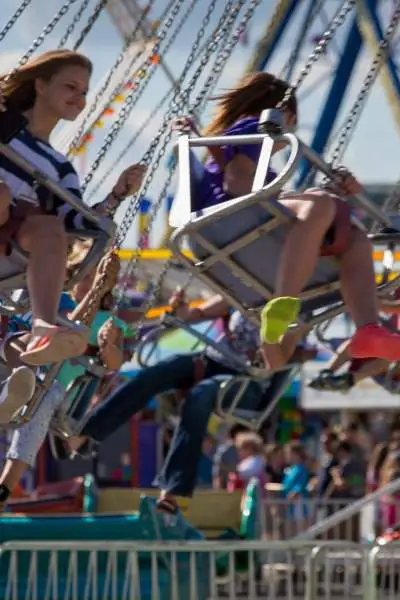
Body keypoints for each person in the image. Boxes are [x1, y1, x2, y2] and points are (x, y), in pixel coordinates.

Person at [173, 71, 400, 371]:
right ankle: (284, 302)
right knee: (320, 202)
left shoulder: (244, 146)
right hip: (228, 221)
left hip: (235, 235)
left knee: (355, 237)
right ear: (286, 116)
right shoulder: (255, 129)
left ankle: (368, 330)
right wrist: (315, 199)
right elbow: (237, 184)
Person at [61, 288, 315, 514]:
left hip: (248, 382)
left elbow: (276, 363)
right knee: (155, 373)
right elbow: (197, 313)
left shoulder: (295, 312)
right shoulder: (245, 289)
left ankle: (175, 489)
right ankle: (87, 433)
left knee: (199, 396)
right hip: (214, 361)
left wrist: (270, 332)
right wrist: (181, 309)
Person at [0, 48, 145, 367]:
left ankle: (42, 327)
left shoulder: (59, 167)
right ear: (41, 85)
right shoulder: (3, 123)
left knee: (51, 227)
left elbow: (76, 219)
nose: (79, 97)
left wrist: (116, 196)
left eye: (84, 92)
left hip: (8, 245)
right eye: (70, 86)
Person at [0, 246, 129, 510]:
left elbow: (115, 362)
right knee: (28, 380)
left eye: (97, 276)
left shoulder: (110, 321)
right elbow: (72, 324)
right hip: (32, 369)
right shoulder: (56, 303)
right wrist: (94, 292)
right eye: (85, 275)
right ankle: (9, 398)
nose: (91, 281)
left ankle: (6, 485)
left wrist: (107, 348)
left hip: (63, 388)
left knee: (39, 405)